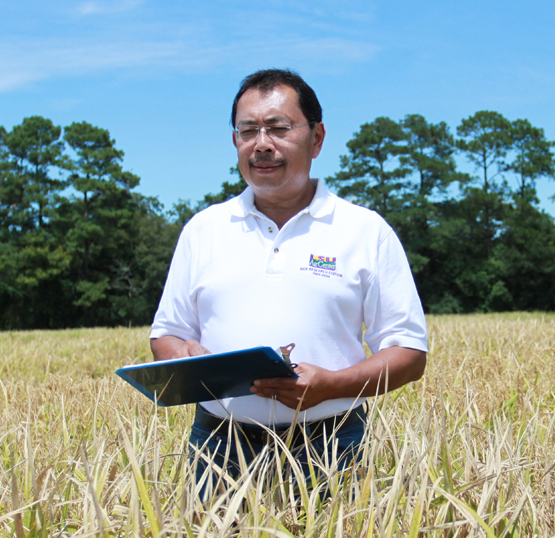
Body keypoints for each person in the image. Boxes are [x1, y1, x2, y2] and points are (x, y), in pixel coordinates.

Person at [150, 68, 427, 496]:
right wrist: (184, 353)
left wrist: (333, 385)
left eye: (279, 128)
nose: (262, 144)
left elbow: (409, 353)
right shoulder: (203, 230)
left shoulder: (365, 231)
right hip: (219, 446)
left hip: (332, 444)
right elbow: (167, 335)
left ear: (316, 138)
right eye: (248, 131)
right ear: (235, 142)